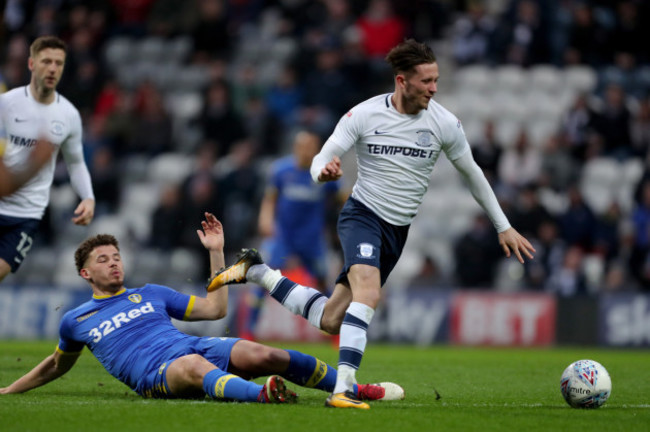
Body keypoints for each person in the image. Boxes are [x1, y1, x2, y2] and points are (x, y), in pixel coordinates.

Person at [208, 39, 535, 409]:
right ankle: (343, 390)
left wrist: (502, 225)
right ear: (402, 81)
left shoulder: (444, 123)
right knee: (369, 293)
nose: (434, 88)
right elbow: (322, 157)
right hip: (362, 215)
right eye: (426, 81)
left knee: (331, 319)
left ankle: (258, 272)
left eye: (437, 80)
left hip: (396, 231)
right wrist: (323, 172)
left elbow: (473, 174)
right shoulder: (364, 114)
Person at [0, 212, 404, 404]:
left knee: (264, 353)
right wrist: (10, 389)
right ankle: (263, 397)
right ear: (86, 274)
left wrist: (216, 254)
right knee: (195, 371)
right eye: (103, 260)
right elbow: (56, 364)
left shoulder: (151, 292)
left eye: (116, 256)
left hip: (192, 346)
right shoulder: (77, 319)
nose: (114, 263)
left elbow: (215, 309)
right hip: (155, 372)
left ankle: (349, 387)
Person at [0, 36, 95, 283]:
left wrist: (88, 197)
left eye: (58, 63)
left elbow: (75, 162)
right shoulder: (6, 104)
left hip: (26, 216)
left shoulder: (69, 114)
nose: (53, 68)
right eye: (46, 62)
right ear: (31, 64)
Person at [242, 130, 342, 340]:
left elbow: (340, 198)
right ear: (296, 147)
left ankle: (335, 333)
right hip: (283, 238)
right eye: (303, 146)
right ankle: (249, 331)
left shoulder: (324, 172)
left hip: (312, 239)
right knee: (264, 279)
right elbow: (270, 198)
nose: (307, 151)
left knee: (323, 283)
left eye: (311, 146)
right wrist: (265, 218)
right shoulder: (281, 170)